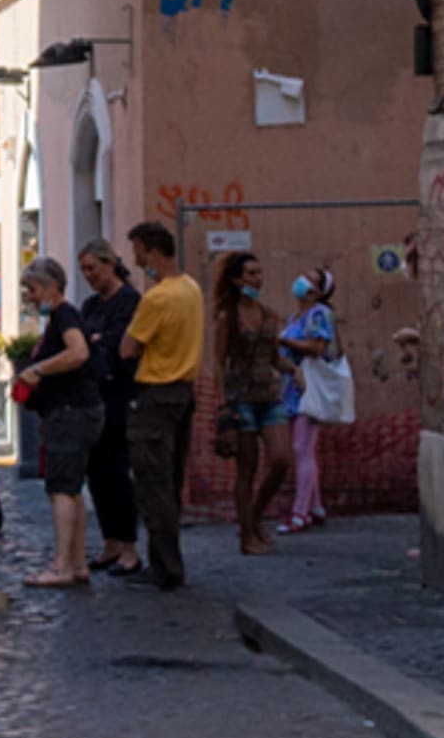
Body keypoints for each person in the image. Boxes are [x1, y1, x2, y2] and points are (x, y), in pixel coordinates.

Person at [117, 221, 204, 591]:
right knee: (171, 478)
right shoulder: (192, 289)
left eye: (138, 253)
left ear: (152, 252)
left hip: (155, 394)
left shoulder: (158, 297)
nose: (136, 261)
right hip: (183, 392)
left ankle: (166, 567)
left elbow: (127, 348)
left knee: (154, 486)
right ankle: (167, 562)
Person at [10, 258, 104, 587]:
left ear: (51, 287)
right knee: (72, 489)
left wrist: (38, 370)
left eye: (33, 290)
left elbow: (78, 353)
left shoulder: (64, 315)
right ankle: (76, 563)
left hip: (68, 412)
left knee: (61, 489)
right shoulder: (64, 316)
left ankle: (62, 565)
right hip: (78, 411)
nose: (30, 297)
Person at [73, 242, 145, 578]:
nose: (88, 276)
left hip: (120, 394)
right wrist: (94, 341)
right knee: (97, 472)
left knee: (117, 471)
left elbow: (117, 345)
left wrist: (97, 341)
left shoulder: (128, 301)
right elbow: (86, 342)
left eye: (93, 269)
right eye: (84, 270)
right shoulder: (89, 305)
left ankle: (129, 546)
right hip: (94, 395)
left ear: (110, 265)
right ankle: (110, 542)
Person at [209, 251, 288, 556]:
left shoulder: (270, 315)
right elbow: (217, 361)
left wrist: (292, 369)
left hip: (269, 394)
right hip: (240, 396)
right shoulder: (228, 317)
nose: (257, 279)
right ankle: (246, 534)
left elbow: (274, 356)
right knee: (247, 467)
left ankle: (254, 515)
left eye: (259, 272)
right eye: (251, 274)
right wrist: (221, 405)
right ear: (236, 279)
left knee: (282, 459)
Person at [278, 269, 344, 534]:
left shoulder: (320, 314)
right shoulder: (295, 316)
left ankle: (299, 512)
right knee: (304, 449)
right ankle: (315, 507)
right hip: (292, 389)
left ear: (317, 291)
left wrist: (284, 340)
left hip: (309, 388)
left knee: (301, 448)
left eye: (310, 278)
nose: (301, 279)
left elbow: (317, 348)